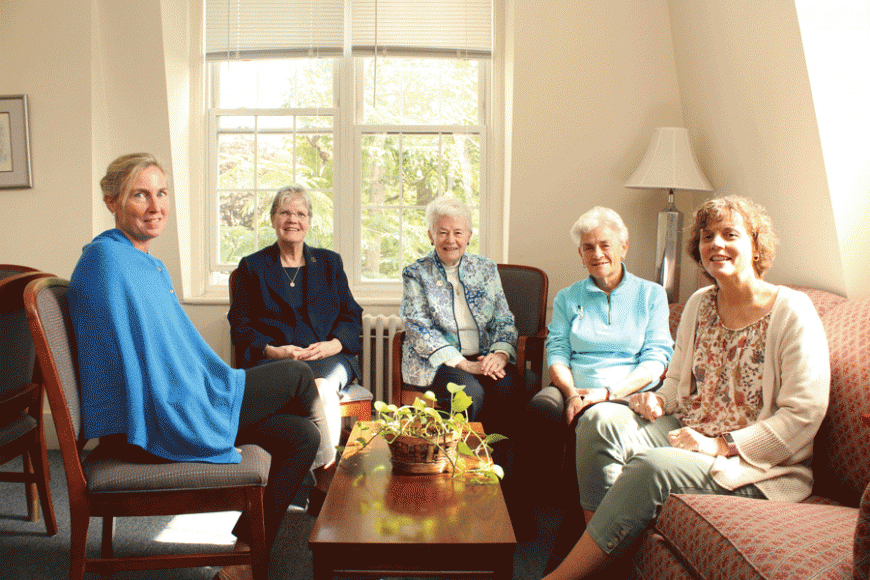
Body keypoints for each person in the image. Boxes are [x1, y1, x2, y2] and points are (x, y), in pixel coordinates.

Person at [543, 195, 830, 580]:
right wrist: (657, 400)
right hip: (687, 428)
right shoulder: (700, 303)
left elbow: (803, 414)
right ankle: (604, 559)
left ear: (756, 244)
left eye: (731, 234)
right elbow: (676, 381)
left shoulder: (792, 311)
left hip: (749, 460)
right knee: (599, 422)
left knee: (651, 467)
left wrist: (722, 444)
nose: (716, 244)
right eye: (708, 236)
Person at [68, 154, 327, 580]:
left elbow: (165, 351)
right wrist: (195, 393)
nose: (155, 206)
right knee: (298, 375)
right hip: (147, 422)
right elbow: (130, 364)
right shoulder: (107, 262)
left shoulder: (139, 261)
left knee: (301, 434)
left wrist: (200, 386)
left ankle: (245, 553)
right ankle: (329, 478)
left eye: (161, 193)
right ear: (111, 200)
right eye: (140, 195)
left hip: (173, 403)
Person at [228, 184, 363, 483]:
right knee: (312, 389)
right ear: (273, 219)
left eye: (300, 213)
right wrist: (273, 350)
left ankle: (321, 476)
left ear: (309, 221)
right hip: (277, 362)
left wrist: (333, 345)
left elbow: (352, 315)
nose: (293, 220)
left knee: (322, 388)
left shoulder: (330, 263)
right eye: (285, 212)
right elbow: (240, 325)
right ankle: (321, 480)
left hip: (328, 357)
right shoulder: (253, 267)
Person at [528, 207, 673, 471]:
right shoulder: (567, 297)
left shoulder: (652, 295)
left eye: (605, 245)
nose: (597, 254)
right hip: (576, 390)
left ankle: (591, 504)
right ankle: (544, 502)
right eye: (588, 247)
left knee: (596, 416)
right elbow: (557, 351)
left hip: (630, 392)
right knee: (542, 408)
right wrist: (571, 394)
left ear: (623, 248)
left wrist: (609, 393)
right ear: (581, 255)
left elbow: (657, 358)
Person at [401, 197, 524, 457]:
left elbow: (504, 319)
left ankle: (500, 471)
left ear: (468, 235)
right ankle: (456, 465)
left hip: (485, 357)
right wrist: (464, 364)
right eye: (442, 232)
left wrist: (500, 356)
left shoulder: (486, 268)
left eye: (457, 232)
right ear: (430, 236)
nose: (451, 240)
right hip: (440, 363)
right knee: (469, 393)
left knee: (508, 387)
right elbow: (418, 327)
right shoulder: (416, 273)